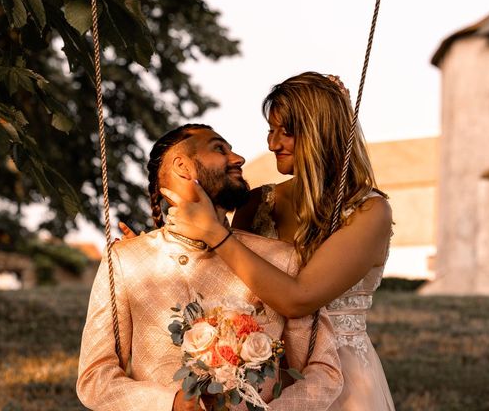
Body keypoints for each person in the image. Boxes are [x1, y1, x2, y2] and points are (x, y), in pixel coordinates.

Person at [162, 73, 396, 410]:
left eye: (286, 131)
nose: (273, 144)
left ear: (320, 132)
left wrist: (216, 232)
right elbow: (223, 286)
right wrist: (159, 249)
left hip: (343, 382)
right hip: (262, 374)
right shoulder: (258, 203)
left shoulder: (369, 211)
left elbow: (299, 299)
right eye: (271, 131)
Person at [77, 124, 343, 410]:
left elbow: (323, 372)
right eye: (219, 148)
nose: (238, 158)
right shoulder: (126, 260)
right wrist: (172, 404)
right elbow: (95, 378)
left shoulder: (282, 259)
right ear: (182, 166)